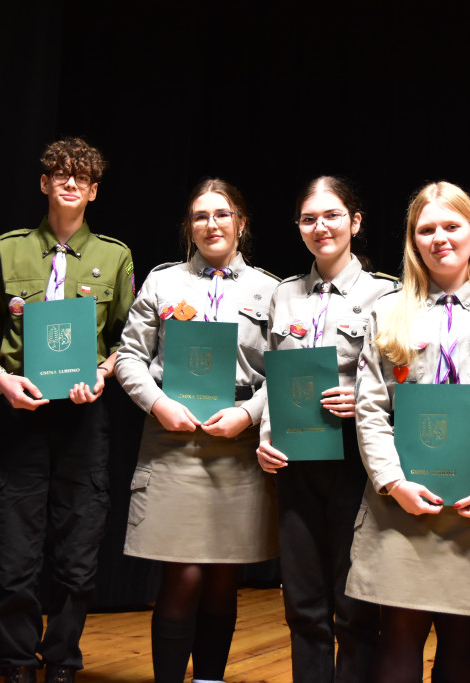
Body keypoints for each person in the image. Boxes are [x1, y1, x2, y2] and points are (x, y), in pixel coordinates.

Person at [347, 181, 470, 683]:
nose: (439, 238)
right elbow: (371, 409)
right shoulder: (388, 312)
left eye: (451, 226)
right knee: (401, 628)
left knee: (461, 631)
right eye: (426, 229)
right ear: (413, 241)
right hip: (404, 487)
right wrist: (392, 483)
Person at [0, 137, 135, 683]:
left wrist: (102, 375)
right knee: (14, 550)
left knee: (79, 548)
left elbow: (125, 342)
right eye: (60, 174)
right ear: (44, 184)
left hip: (84, 418)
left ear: (93, 191)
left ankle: (63, 658)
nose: (70, 183)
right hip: (21, 415)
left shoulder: (115, 257)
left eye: (81, 177)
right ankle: (16, 660)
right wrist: (1, 380)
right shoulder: (7, 249)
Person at [115, 178, 279, 683]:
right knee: (182, 576)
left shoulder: (270, 290)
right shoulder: (162, 284)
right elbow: (128, 358)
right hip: (173, 441)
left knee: (222, 581)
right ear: (189, 227)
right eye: (200, 215)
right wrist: (158, 404)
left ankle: (210, 679)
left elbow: (285, 372)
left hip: (235, 443)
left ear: (241, 223)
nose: (211, 224)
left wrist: (249, 415)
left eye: (222, 214)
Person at [255, 176, 394, 682]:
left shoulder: (388, 295)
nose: (321, 227)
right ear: (299, 228)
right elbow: (273, 378)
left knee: (353, 603)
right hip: (295, 462)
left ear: (355, 222)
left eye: (332, 215)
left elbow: (399, 383)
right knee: (303, 601)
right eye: (309, 219)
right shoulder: (283, 295)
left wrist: (362, 403)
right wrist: (266, 437)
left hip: (354, 461)